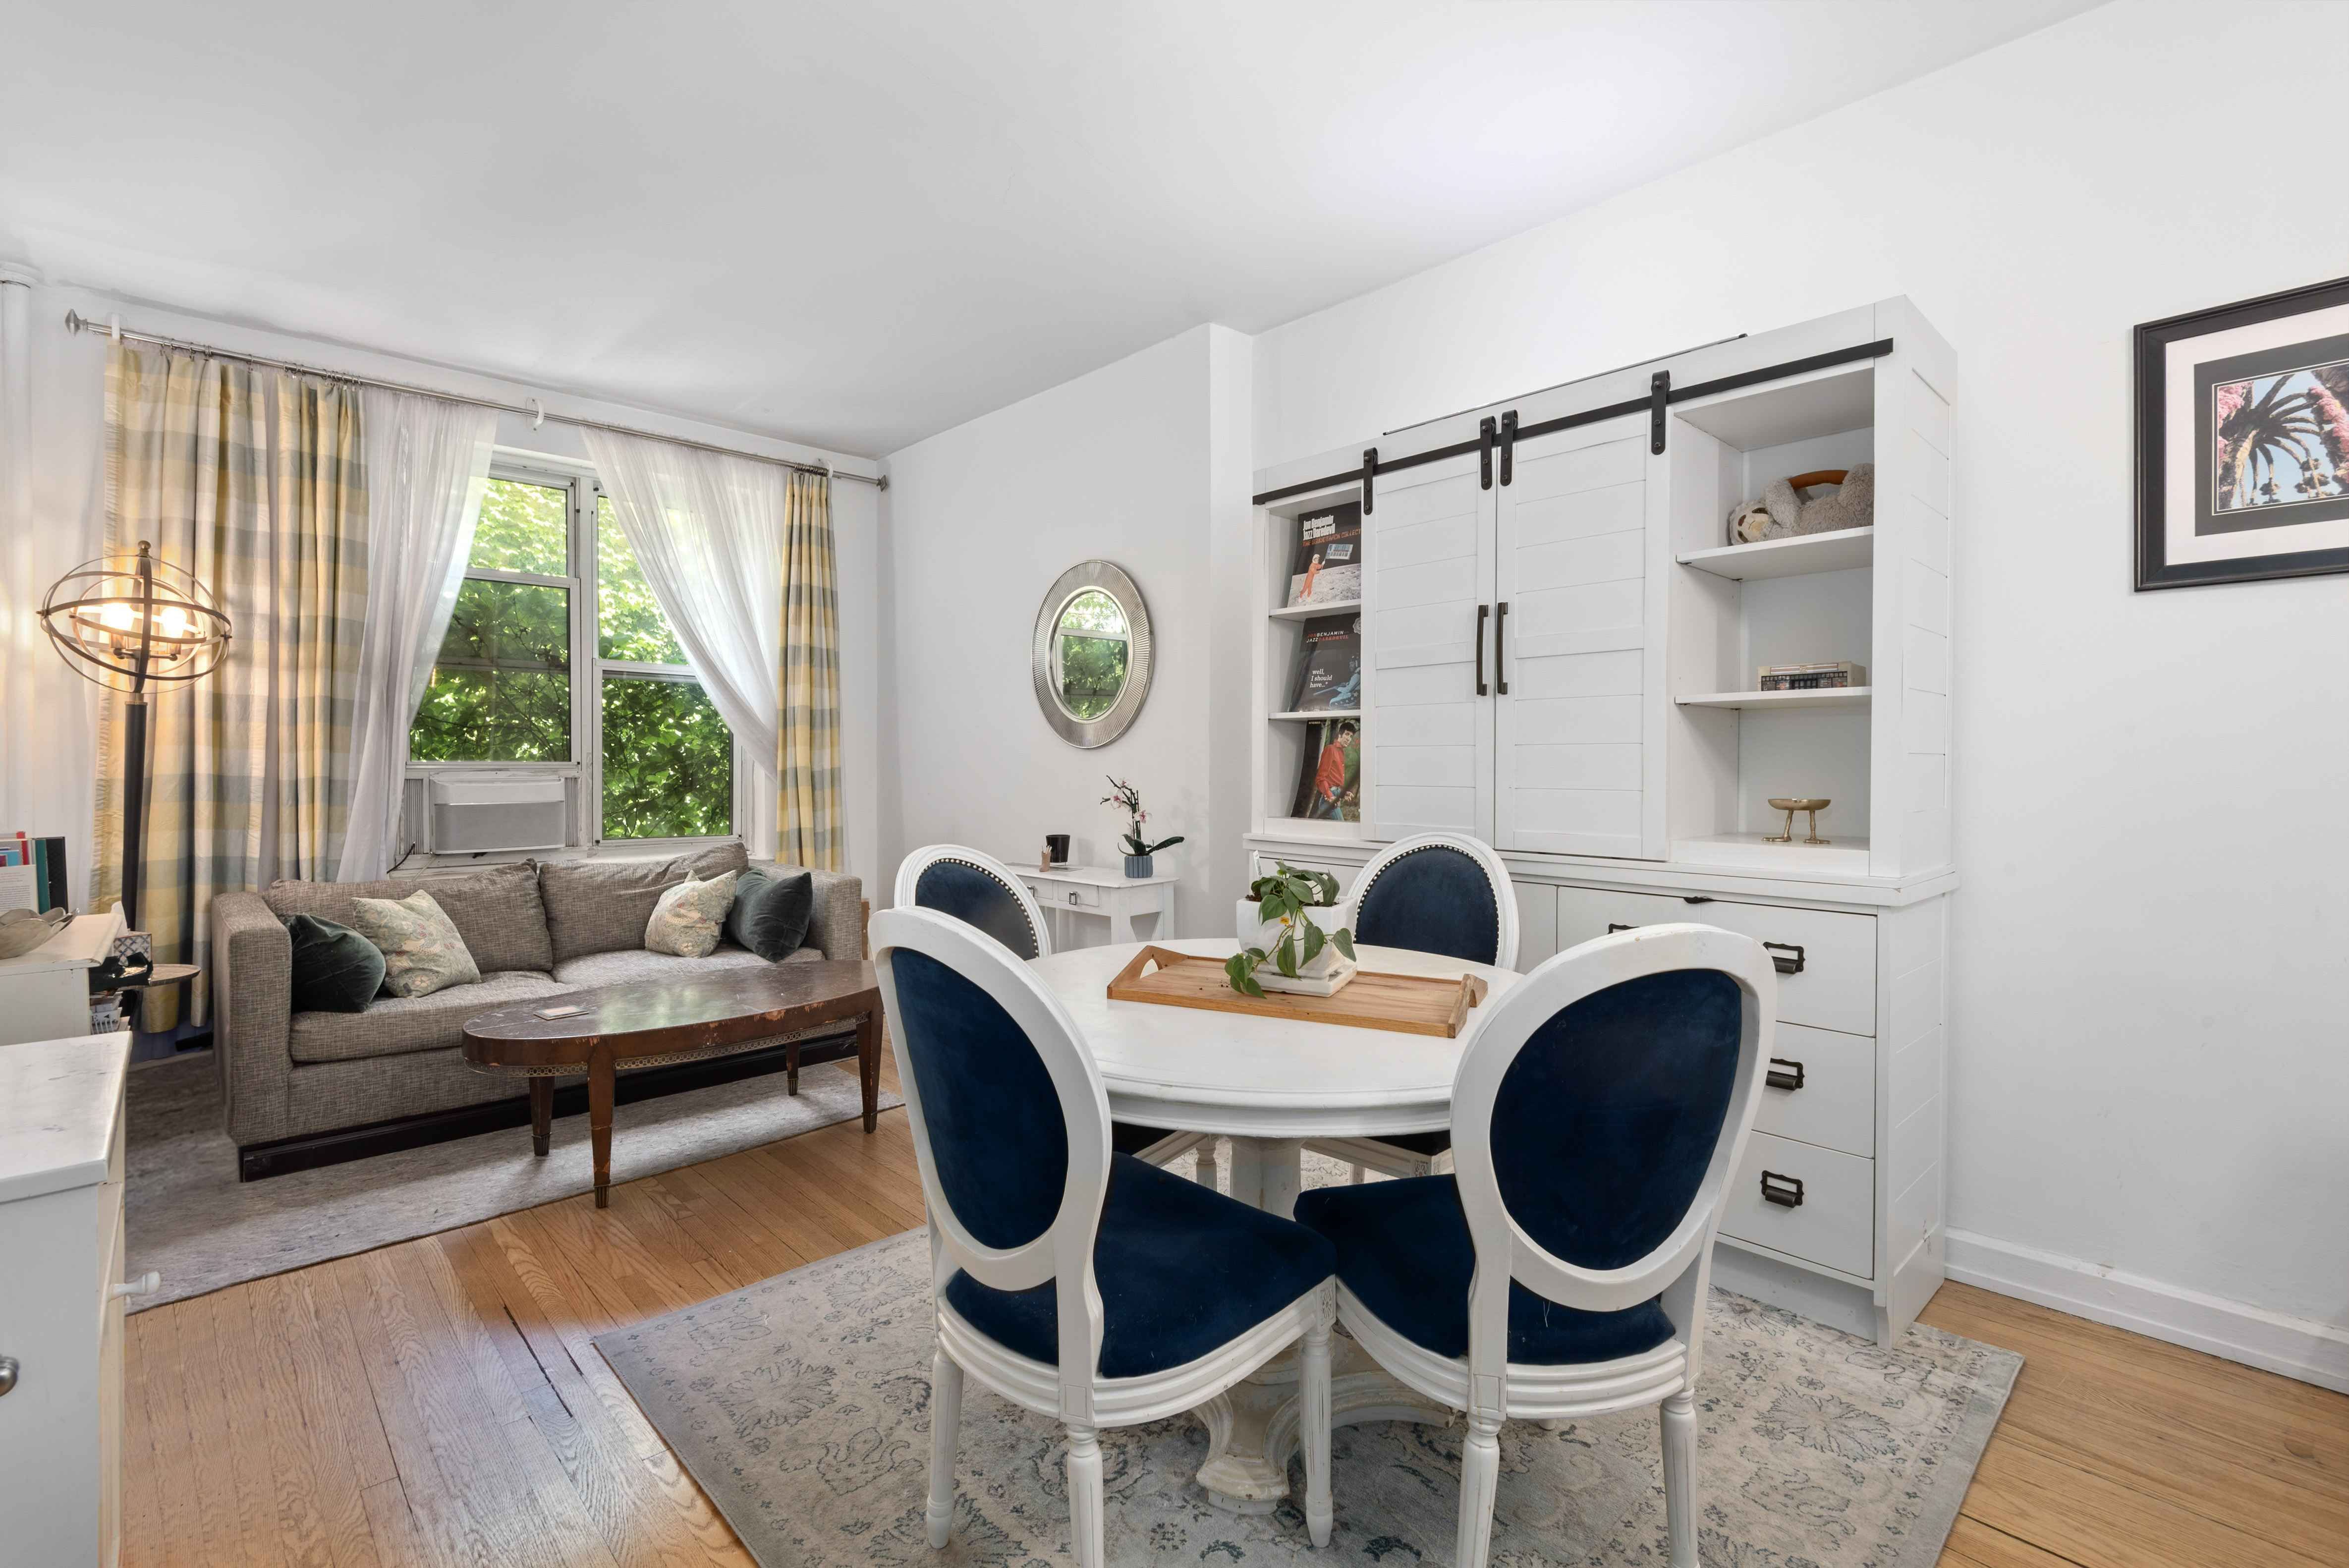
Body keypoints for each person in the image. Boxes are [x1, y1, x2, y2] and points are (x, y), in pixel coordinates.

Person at [1307, 721, 1357, 820]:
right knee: (1341, 827)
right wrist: (1329, 796)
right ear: (1340, 734)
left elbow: (1333, 784)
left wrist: (1344, 793)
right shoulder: (1331, 750)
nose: (1349, 738)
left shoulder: (1341, 752)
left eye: (1351, 736)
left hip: (1334, 797)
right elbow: (1320, 778)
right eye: (1347, 734)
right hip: (1328, 800)